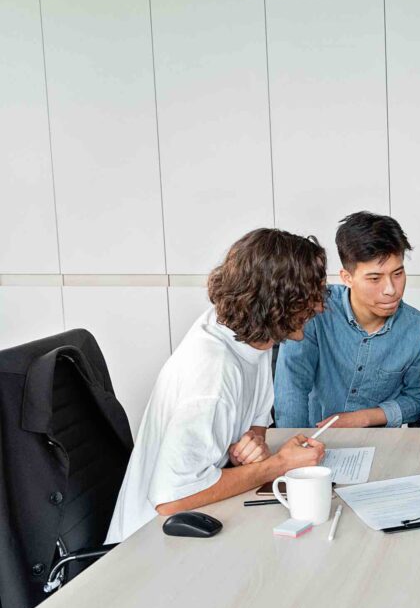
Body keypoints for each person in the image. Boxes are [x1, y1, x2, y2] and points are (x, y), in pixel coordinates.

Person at [106, 229, 328, 543]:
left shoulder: (249, 332)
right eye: (310, 296)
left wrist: (252, 441)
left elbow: (256, 419)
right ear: (276, 302)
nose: (319, 307)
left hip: (202, 518)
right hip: (150, 541)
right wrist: (279, 464)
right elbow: (172, 498)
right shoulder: (213, 371)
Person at [274, 212, 420, 428]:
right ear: (347, 278)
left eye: (398, 274)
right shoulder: (313, 312)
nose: (391, 290)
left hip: (382, 444)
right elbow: (291, 388)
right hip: (313, 439)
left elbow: (416, 400)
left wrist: (364, 418)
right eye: (375, 278)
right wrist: (294, 447)